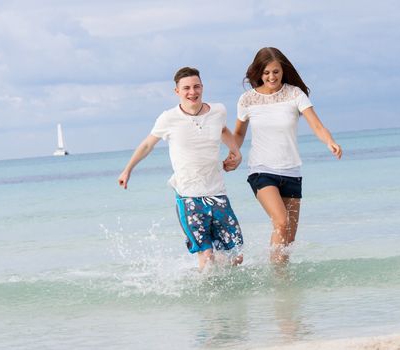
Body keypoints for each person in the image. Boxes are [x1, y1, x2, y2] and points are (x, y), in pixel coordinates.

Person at [118, 67, 244, 271]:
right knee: (207, 255)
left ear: (202, 87)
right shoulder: (169, 118)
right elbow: (147, 145)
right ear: (177, 91)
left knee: (235, 255)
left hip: (217, 192)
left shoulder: (218, 111)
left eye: (196, 87)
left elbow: (223, 130)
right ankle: (206, 296)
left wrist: (235, 152)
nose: (192, 92)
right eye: (186, 88)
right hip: (188, 196)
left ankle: (227, 297)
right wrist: (127, 170)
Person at [227, 47, 342, 265]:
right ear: (259, 72)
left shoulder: (294, 94)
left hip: (291, 171)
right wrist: (234, 153)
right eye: (267, 72)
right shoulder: (247, 100)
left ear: (283, 71)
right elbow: (239, 133)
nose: (272, 77)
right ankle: (277, 278)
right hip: (261, 171)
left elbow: (316, 125)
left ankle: (283, 289)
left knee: (288, 240)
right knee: (280, 222)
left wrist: (330, 141)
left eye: (276, 72)